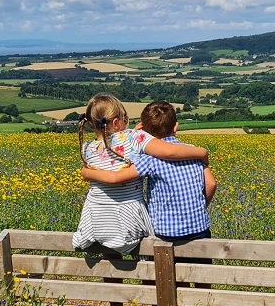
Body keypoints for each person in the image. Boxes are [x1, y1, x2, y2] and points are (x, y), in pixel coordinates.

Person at [71, 94, 209, 255]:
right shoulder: (134, 138)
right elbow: (168, 151)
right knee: (147, 257)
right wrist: (202, 152)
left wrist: (86, 173)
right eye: (125, 118)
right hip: (127, 220)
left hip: (96, 221)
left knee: (110, 258)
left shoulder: (87, 148)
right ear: (116, 123)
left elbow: (113, 147)